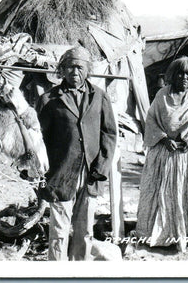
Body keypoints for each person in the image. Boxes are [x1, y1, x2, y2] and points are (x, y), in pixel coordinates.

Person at [36, 45, 117, 261]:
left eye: (80, 67)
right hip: (61, 174)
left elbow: (109, 134)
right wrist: (39, 172)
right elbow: (38, 140)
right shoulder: (49, 100)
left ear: (87, 70)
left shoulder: (99, 97)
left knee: (85, 231)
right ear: (62, 70)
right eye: (70, 67)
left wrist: (101, 168)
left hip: (91, 175)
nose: (75, 72)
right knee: (59, 233)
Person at [136, 56, 188, 252]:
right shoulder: (161, 96)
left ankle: (186, 232)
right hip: (165, 155)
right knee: (162, 195)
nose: (184, 77)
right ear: (172, 75)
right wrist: (164, 139)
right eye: (180, 73)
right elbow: (151, 121)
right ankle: (163, 232)